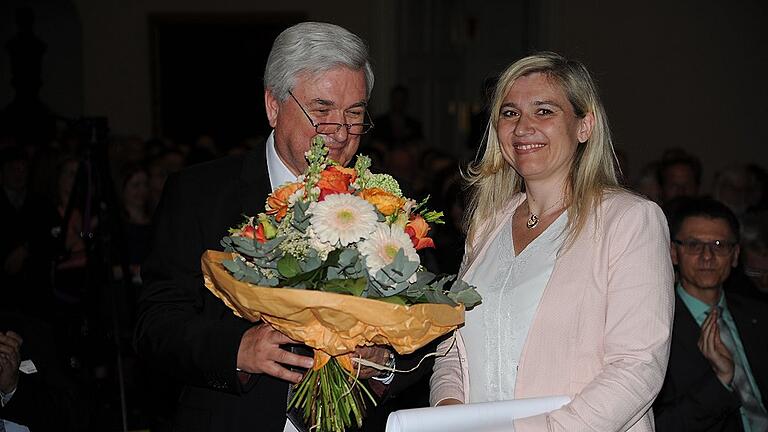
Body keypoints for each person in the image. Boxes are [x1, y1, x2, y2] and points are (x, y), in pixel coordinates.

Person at [135, 22, 423, 432]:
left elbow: (427, 326)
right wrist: (238, 349)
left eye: (355, 114)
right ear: (274, 106)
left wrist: (387, 363)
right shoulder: (200, 194)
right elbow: (155, 327)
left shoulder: (390, 201)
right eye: (322, 111)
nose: (340, 133)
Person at [429, 52, 674, 431]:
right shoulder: (487, 222)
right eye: (510, 113)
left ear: (584, 126)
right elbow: (452, 348)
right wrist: (449, 413)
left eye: (544, 111)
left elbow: (638, 367)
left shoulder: (628, 221)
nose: (523, 127)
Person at [654, 198, 768, 431]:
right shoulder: (656, 326)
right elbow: (658, 426)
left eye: (719, 245)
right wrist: (719, 380)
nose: (707, 256)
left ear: (735, 255)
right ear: (674, 254)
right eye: (694, 245)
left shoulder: (760, 314)